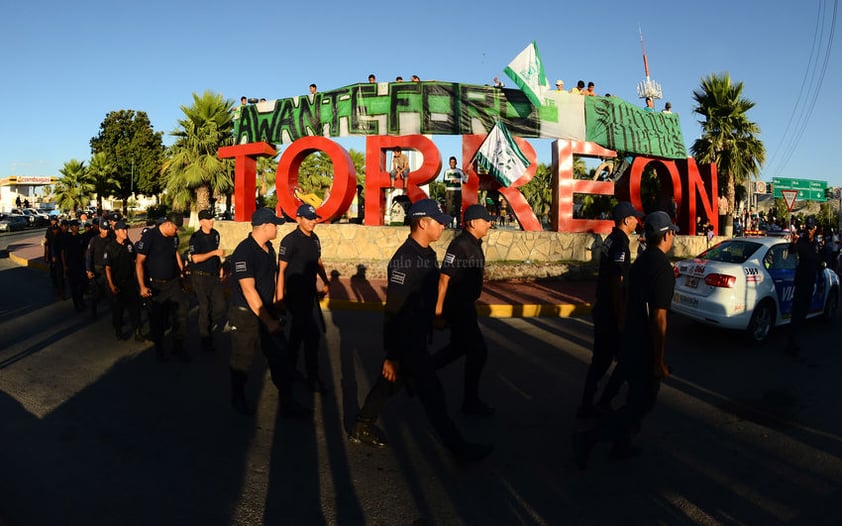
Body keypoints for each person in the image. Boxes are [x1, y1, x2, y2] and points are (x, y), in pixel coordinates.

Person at [348, 199, 493, 463]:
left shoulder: (426, 253)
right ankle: (459, 450)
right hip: (407, 341)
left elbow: (424, 298)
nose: (442, 226)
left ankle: (362, 424)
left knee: (390, 384)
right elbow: (394, 310)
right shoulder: (405, 260)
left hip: (416, 336)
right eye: (438, 221)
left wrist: (436, 318)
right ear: (423, 223)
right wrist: (391, 354)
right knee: (433, 396)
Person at [573, 211, 677, 469]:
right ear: (666, 236)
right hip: (643, 347)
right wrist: (659, 360)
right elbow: (659, 317)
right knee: (641, 404)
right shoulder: (662, 269)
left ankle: (621, 445)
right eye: (672, 232)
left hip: (630, 339)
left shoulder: (641, 261)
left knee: (633, 397)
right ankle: (591, 437)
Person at [227, 208, 310, 418]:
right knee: (243, 360)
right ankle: (238, 397)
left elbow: (269, 281)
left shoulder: (269, 248)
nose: (277, 228)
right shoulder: (243, 252)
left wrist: (276, 305)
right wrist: (268, 321)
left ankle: (288, 403)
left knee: (280, 357)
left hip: (267, 312)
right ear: (264, 226)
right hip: (246, 314)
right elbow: (249, 290)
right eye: (275, 225)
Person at [576, 202, 643, 419]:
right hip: (610, 313)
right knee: (614, 360)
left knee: (603, 361)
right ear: (626, 220)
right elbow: (616, 280)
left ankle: (592, 404)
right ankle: (600, 405)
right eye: (634, 217)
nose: (637, 221)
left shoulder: (612, 238)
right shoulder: (620, 243)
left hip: (604, 309)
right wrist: (621, 317)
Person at [431, 204, 495, 416]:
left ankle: (418, 372)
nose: (489, 223)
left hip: (466, 305)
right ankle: (470, 403)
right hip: (457, 307)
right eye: (486, 220)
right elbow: (444, 277)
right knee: (478, 352)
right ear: (473, 223)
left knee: (458, 348)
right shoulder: (460, 245)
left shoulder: (475, 243)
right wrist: (438, 312)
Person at [276, 204, 331, 393]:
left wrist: (325, 280)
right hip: (294, 296)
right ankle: (312, 377)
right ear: (298, 219)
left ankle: (288, 369)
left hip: (308, 296)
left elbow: (318, 262)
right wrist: (280, 299)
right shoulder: (290, 241)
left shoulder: (314, 239)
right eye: (308, 218)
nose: (312, 221)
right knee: (312, 336)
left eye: (314, 218)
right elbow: (281, 271)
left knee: (297, 335)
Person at [136, 213, 191, 363]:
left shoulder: (173, 238)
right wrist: (142, 286)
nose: (177, 231)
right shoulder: (150, 237)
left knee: (182, 314)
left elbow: (175, 253)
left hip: (173, 283)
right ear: (167, 224)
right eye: (176, 228)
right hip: (156, 285)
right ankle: (159, 349)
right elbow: (139, 262)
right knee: (158, 320)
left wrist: (181, 273)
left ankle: (178, 347)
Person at [188, 209, 226, 352]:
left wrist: (220, 266)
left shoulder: (216, 234)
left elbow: (217, 253)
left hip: (214, 275)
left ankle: (208, 325)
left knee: (220, 306)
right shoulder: (195, 237)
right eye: (209, 219)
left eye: (212, 218)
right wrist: (214, 253)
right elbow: (195, 258)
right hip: (200, 276)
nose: (212, 221)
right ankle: (205, 338)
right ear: (202, 221)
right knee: (204, 307)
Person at [786, 216, 821, 357]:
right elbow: (792, 251)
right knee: (797, 312)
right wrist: (793, 243)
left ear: (815, 229)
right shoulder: (801, 241)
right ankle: (792, 343)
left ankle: (795, 339)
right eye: (806, 228)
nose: (808, 230)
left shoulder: (816, 245)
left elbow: (818, 262)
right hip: (801, 282)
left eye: (810, 228)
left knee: (804, 312)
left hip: (811, 282)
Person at [104, 221, 144, 342]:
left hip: (130, 283)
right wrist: (111, 285)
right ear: (116, 232)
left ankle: (138, 332)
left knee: (135, 309)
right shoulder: (110, 247)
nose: (125, 232)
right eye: (122, 230)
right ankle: (118, 330)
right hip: (117, 283)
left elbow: (135, 262)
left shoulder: (129, 245)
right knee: (118, 310)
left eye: (126, 229)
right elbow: (107, 268)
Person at [85, 218, 112, 319]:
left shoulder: (111, 239)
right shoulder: (94, 240)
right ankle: (93, 312)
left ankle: (116, 316)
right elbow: (88, 256)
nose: (106, 231)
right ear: (100, 229)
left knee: (111, 293)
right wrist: (88, 270)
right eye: (104, 229)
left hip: (109, 269)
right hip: (98, 270)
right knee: (96, 294)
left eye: (107, 229)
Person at [442, 156, 468, 228]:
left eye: (453, 162)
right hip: (449, 191)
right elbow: (444, 180)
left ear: (456, 163)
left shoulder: (459, 171)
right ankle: (447, 224)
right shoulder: (447, 171)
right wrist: (451, 180)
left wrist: (467, 175)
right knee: (448, 208)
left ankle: (458, 224)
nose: (452, 163)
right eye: (451, 162)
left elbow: (465, 180)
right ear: (449, 163)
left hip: (458, 191)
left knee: (458, 207)